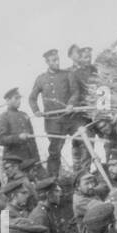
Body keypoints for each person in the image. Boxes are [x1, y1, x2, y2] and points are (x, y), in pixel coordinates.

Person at [28, 49, 80, 177]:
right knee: (55, 151)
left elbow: (75, 92)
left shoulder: (68, 74)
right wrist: (36, 110)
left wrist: (71, 104)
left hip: (70, 119)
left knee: (80, 145)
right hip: (53, 122)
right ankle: (53, 180)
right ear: (47, 62)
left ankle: (80, 175)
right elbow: (32, 98)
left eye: (57, 59)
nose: (57, 62)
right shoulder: (41, 79)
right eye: (53, 60)